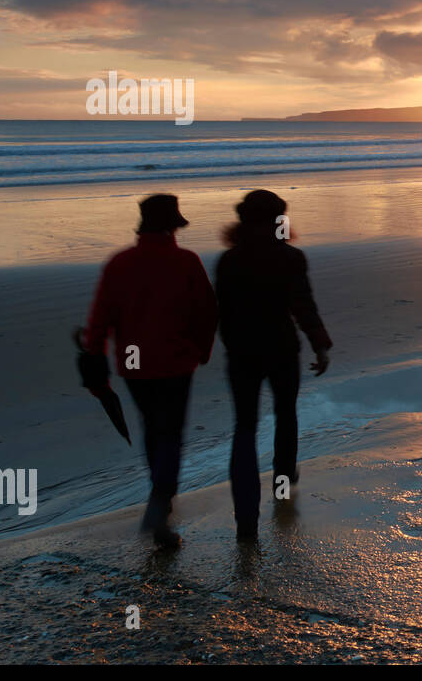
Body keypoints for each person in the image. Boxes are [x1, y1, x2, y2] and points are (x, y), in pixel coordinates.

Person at [84, 194, 217, 549]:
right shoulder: (186, 261)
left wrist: (95, 359)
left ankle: (160, 494)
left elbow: (100, 320)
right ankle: (161, 500)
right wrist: (201, 351)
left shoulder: (120, 263)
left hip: (133, 364)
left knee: (152, 429)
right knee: (170, 432)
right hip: (176, 361)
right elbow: (206, 312)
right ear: (174, 226)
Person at [215, 190, 332, 541]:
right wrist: (320, 346)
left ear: (243, 219)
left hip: (242, 352)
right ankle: (284, 482)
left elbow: (222, 312)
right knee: (285, 414)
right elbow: (303, 305)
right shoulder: (291, 258)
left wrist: (226, 345)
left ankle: (246, 512)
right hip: (281, 346)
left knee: (245, 426)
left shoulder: (229, 261)